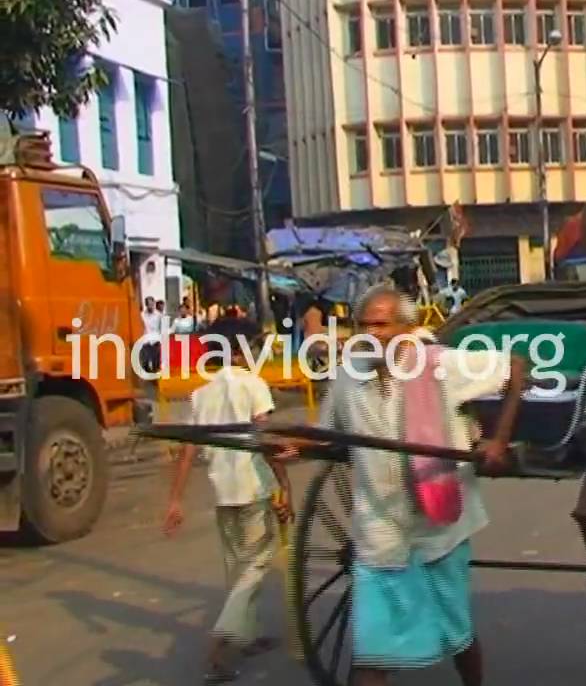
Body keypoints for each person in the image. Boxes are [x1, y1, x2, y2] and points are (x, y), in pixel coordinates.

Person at [312, 285, 525, 686]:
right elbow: (328, 436)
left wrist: (498, 439)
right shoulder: (347, 378)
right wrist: (286, 442)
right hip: (379, 532)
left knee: (457, 635)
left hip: (438, 527)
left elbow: (515, 366)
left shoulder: (440, 364)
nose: (371, 334)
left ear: (408, 328)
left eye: (382, 324)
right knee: (369, 659)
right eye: (363, 325)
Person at [162, 317, 292, 684]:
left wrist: (175, 500)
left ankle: (245, 637)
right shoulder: (254, 385)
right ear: (238, 350)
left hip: (224, 494)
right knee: (255, 568)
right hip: (253, 490)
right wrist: (286, 487)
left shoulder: (202, 394)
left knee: (238, 569)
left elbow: (188, 449)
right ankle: (218, 648)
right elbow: (267, 443)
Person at [140, 296, 163, 374]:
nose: (150, 306)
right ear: (146, 304)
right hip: (146, 341)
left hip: (155, 341)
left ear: (154, 303)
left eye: (151, 304)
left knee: (156, 364)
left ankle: (155, 381)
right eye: (148, 304)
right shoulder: (142, 315)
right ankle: (148, 381)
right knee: (145, 363)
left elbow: (162, 327)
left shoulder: (159, 315)